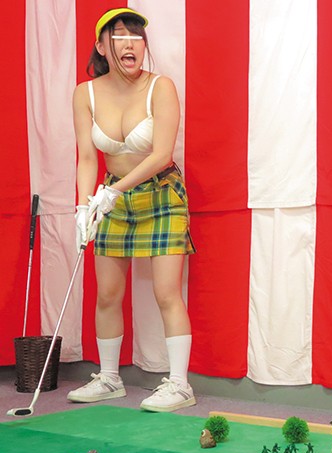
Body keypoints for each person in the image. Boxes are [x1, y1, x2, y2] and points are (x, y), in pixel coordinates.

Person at [67, 8, 196, 413]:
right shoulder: (85, 93)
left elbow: (161, 154)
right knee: (107, 293)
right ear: (102, 47)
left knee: (166, 292)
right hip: (112, 199)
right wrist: (84, 205)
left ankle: (180, 385)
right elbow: (88, 157)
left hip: (161, 196)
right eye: (120, 36)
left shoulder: (161, 87)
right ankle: (109, 378)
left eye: (137, 37)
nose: (130, 44)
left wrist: (113, 192)